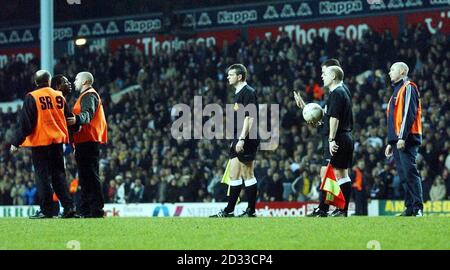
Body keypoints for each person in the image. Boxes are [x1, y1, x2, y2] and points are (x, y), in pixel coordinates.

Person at [9, 70, 77, 218]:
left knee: (42, 177)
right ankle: (69, 207)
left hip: (40, 142)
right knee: (59, 175)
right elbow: (69, 119)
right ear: (49, 80)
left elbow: (27, 124)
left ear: (35, 82)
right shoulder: (59, 96)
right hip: (57, 142)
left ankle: (47, 210)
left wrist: (16, 142)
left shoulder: (32, 97)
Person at [293, 59, 352, 217]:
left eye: (324, 73)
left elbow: (334, 119)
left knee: (337, 174)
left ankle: (338, 209)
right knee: (334, 174)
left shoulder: (338, 93)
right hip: (340, 136)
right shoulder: (338, 92)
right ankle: (329, 209)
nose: (321, 76)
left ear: (333, 75)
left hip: (338, 138)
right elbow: (327, 119)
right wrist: (305, 107)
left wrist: (332, 139)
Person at [210, 64, 259, 217]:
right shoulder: (238, 93)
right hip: (237, 137)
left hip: (246, 137)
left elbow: (250, 117)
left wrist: (242, 139)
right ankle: (229, 210)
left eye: (230, 75)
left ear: (239, 76)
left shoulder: (249, 92)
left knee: (248, 174)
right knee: (234, 175)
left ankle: (251, 211)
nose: (227, 77)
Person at [385, 62, 423, 216]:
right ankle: (409, 208)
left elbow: (409, 113)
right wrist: (391, 141)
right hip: (397, 140)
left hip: (407, 138)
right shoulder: (397, 90)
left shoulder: (408, 87)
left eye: (392, 69)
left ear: (402, 71)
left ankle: (418, 208)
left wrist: (401, 137)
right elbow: (393, 119)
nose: (389, 72)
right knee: (403, 175)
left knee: (410, 172)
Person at [72, 71, 108, 218]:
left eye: (76, 79)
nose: (74, 82)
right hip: (84, 141)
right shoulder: (86, 96)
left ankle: (96, 210)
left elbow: (88, 114)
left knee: (90, 176)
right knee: (86, 177)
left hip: (88, 140)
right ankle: (86, 210)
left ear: (85, 82)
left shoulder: (89, 95)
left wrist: (76, 119)